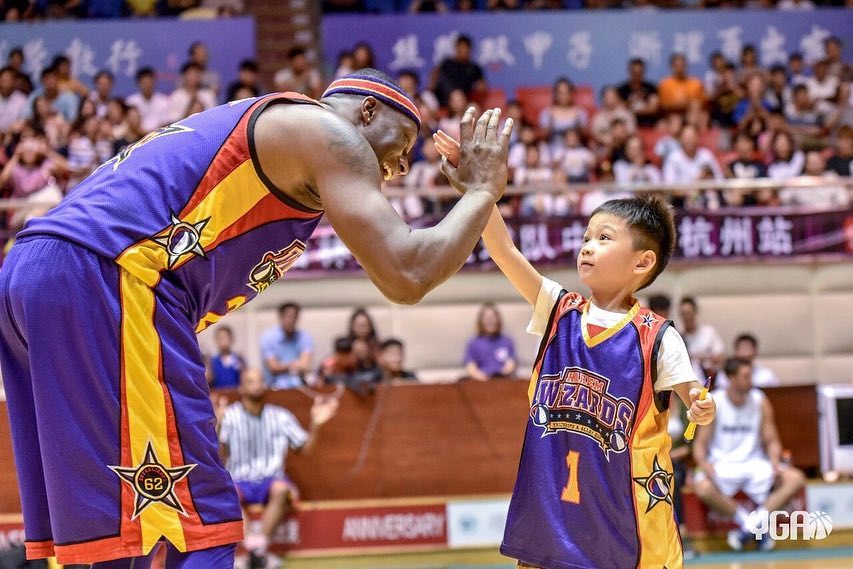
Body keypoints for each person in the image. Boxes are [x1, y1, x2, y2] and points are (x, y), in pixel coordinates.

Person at [0, 69, 512, 567]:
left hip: (38, 274)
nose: (399, 167)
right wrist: (482, 191)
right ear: (368, 110)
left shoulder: (287, 149)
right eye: (400, 146)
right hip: (110, 275)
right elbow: (408, 272)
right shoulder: (325, 132)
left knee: (119, 530)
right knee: (197, 518)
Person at [428, 133, 715, 567]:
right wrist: (478, 189)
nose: (587, 245)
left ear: (642, 263)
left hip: (624, 528)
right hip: (550, 518)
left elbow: (693, 397)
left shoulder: (656, 337)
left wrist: (699, 407)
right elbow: (504, 250)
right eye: (586, 236)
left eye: (603, 237)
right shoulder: (558, 309)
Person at [216, 369, 338, 568]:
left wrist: (316, 426)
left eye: (260, 381)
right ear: (241, 387)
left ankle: (256, 549)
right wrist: (218, 425)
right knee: (227, 493)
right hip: (239, 479)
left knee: (282, 489)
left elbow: (304, 449)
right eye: (250, 381)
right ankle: (255, 552)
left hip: (271, 480)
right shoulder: (229, 416)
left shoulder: (280, 415)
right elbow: (218, 456)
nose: (256, 385)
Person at [693, 358, 806, 552]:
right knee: (702, 488)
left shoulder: (760, 400)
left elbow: (771, 439)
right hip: (722, 464)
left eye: (751, 374)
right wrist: (704, 464)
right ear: (731, 378)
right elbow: (700, 443)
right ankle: (751, 525)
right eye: (746, 376)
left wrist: (775, 462)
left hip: (755, 463)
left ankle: (750, 525)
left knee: (796, 479)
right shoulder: (715, 401)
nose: (751, 379)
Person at [261, 303, 313, 389]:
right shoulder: (268, 337)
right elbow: (273, 367)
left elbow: (305, 365)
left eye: (294, 317)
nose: (291, 320)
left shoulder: (304, 336)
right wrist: (292, 365)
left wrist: (284, 366)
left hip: (300, 386)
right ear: (281, 317)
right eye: (289, 316)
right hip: (274, 387)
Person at [463, 303, 518, 381]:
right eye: (486, 317)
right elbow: (470, 367)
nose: (490, 320)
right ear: (480, 321)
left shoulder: (507, 341)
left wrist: (499, 377)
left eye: (493, 317)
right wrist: (484, 378)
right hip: (481, 383)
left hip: (503, 382)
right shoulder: (473, 343)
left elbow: (511, 364)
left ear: (498, 320)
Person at [430, 35, 486, 108]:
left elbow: (482, 86)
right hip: (443, 98)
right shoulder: (447, 63)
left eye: (465, 47)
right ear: (456, 48)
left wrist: (480, 89)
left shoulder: (473, 68)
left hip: (464, 100)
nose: (463, 50)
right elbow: (437, 79)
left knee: (471, 106)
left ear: (469, 49)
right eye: (460, 47)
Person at [679, 296, 725, 382]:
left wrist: (703, 357)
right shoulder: (678, 336)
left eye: (689, 313)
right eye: (683, 314)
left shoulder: (709, 332)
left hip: (710, 379)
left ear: (695, 312)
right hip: (686, 381)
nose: (686, 317)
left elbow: (721, 358)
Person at [715, 333, 780, 390]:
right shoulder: (724, 375)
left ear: (755, 351)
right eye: (742, 348)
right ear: (735, 352)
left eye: (748, 348)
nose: (745, 352)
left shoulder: (767, 375)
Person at [616, 58, 659, 128]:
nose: (637, 75)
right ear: (629, 72)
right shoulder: (621, 89)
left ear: (643, 72)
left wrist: (632, 110)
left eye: (639, 72)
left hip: (649, 122)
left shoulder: (651, 88)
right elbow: (619, 108)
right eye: (634, 72)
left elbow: (653, 108)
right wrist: (631, 101)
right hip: (627, 123)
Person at [126, 67, 171, 133]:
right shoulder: (131, 101)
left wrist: (153, 134)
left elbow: (165, 122)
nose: (147, 85)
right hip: (137, 137)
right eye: (144, 82)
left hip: (158, 135)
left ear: (154, 82)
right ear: (138, 83)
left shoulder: (163, 101)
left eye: (150, 82)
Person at [0, 66, 28, 131]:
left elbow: (24, 120)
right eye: (4, 79)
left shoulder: (22, 99)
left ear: (14, 82)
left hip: (13, 135)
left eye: (9, 79)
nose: (6, 82)